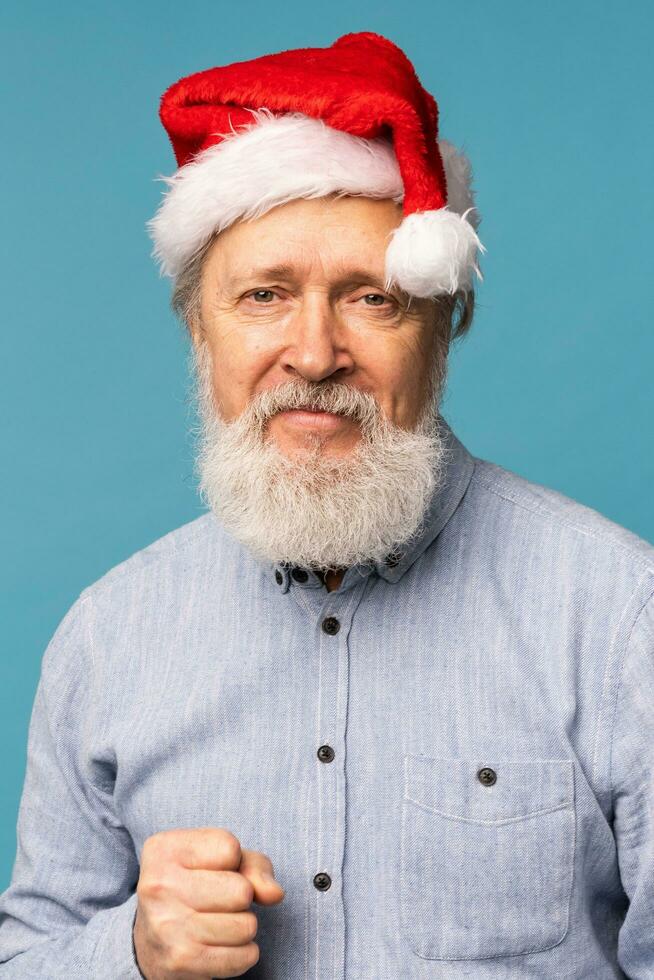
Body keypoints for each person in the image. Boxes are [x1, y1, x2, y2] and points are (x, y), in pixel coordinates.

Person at [0, 30, 652, 980]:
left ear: (446, 324)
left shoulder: (622, 617)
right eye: (264, 295)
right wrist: (131, 951)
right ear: (198, 325)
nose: (313, 354)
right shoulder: (106, 640)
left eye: (372, 300)